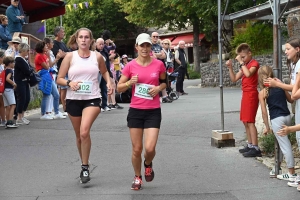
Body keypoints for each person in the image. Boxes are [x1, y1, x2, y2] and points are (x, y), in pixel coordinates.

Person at [57, 28, 113, 184]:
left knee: (84, 131)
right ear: (76, 40)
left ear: (91, 40)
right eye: (80, 37)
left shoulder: (98, 57)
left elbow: (104, 72)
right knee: (79, 136)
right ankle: (84, 165)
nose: (83, 40)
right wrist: (70, 83)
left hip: (92, 98)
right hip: (73, 99)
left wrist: (109, 82)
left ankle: (85, 166)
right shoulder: (70, 56)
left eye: (86, 37)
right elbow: (59, 79)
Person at [117, 33, 167, 190]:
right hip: (136, 110)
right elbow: (119, 87)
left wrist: (158, 88)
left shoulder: (158, 64)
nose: (145, 48)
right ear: (136, 47)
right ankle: (137, 176)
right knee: (137, 149)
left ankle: (148, 163)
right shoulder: (130, 66)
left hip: (153, 110)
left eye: (147, 45)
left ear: (150, 47)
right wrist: (129, 83)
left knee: (150, 148)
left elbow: (165, 82)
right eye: (142, 45)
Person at [258, 65, 296, 180]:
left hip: (277, 119)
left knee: (285, 146)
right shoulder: (280, 86)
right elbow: (291, 99)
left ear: (260, 78)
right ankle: (277, 166)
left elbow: (264, 112)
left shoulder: (263, 92)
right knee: (280, 143)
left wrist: (267, 127)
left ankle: (291, 173)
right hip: (287, 116)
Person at [225, 43, 261, 157]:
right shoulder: (245, 64)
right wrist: (230, 68)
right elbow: (234, 78)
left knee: (250, 121)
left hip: (251, 94)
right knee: (245, 121)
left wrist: (241, 62)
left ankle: (255, 147)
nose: (242, 59)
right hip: (245, 94)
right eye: (241, 57)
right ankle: (250, 144)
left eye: (243, 56)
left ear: (249, 53)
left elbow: (249, 74)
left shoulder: (254, 64)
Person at [275, 38, 300, 190]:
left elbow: (295, 93)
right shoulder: (294, 65)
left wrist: (278, 84)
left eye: (288, 48)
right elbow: (293, 95)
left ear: (298, 49)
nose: (285, 51)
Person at [34, 41, 65, 120]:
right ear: (41, 47)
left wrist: (54, 58)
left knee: (56, 95)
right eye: (45, 46)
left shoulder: (44, 55)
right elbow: (47, 67)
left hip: (48, 76)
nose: (47, 47)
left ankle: (57, 112)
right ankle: (43, 113)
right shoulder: (39, 56)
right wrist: (51, 58)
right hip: (44, 76)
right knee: (46, 94)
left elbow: (50, 65)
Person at [52, 26, 69, 114]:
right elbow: (58, 55)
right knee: (63, 89)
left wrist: (65, 54)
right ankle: (64, 107)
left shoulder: (62, 43)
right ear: (58, 33)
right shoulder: (54, 44)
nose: (64, 33)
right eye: (62, 32)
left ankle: (65, 106)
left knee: (65, 89)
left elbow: (68, 52)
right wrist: (64, 54)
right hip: (60, 68)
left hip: (67, 68)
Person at [43, 37, 62, 117]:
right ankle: (47, 111)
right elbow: (50, 64)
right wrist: (57, 58)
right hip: (49, 73)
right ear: (47, 44)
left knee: (53, 94)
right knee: (49, 94)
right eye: (51, 42)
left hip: (53, 73)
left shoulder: (50, 52)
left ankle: (50, 111)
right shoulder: (46, 53)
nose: (53, 44)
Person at [14, 43, 31, 125]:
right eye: (27, 50)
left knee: (27, 98)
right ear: (23, 50)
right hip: (20, 81)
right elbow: (27, 70)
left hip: (25, 81)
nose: (28, 52)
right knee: (22, 98)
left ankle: (22, 115)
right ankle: (19, 117)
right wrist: (30, 71)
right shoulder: (18, 59)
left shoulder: (24, 59)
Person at [95, 37, 113, 112]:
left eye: (103, 44)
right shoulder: (94, 52)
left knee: (104, 88)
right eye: (100, 44)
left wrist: (109, 73)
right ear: (96, 44)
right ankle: (97, 105)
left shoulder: (105, 51)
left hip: (105, 72)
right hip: (97, 73)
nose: (101, 46)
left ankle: (104, 105)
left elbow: (108, 63)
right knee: (96, 89)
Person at [2, 56, 17, 128]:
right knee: (13, 105)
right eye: (13, 62)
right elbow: (7, 79)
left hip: (4, 90)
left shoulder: (4, 70)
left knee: (7, 106)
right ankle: (10, 122)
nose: (14, 64)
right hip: (9, 89)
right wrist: (14, 84)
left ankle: (7, 121)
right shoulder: (10, 70)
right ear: (10, 63)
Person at [0, 50, 6, 126]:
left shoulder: (2, 66)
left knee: (2, 103)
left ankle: (3, 120)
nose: (4, 58)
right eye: (3, 57)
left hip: (1, 86)